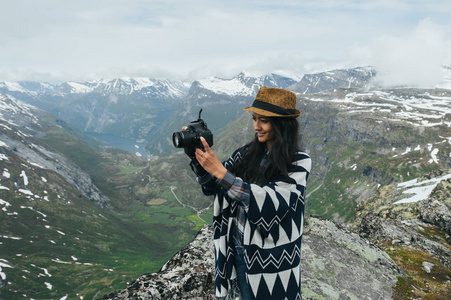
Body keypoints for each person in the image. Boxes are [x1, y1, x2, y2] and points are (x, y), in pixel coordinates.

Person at [188, 86, 311, 300]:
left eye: (263, 120)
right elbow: (213, 186)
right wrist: (198, 159)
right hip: (236, 249)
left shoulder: (298, 162)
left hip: (270, 256)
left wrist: (220, 170)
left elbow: (272, 202)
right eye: (254, 119)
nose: (256, 126)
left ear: (281, 124)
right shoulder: (247, 153)